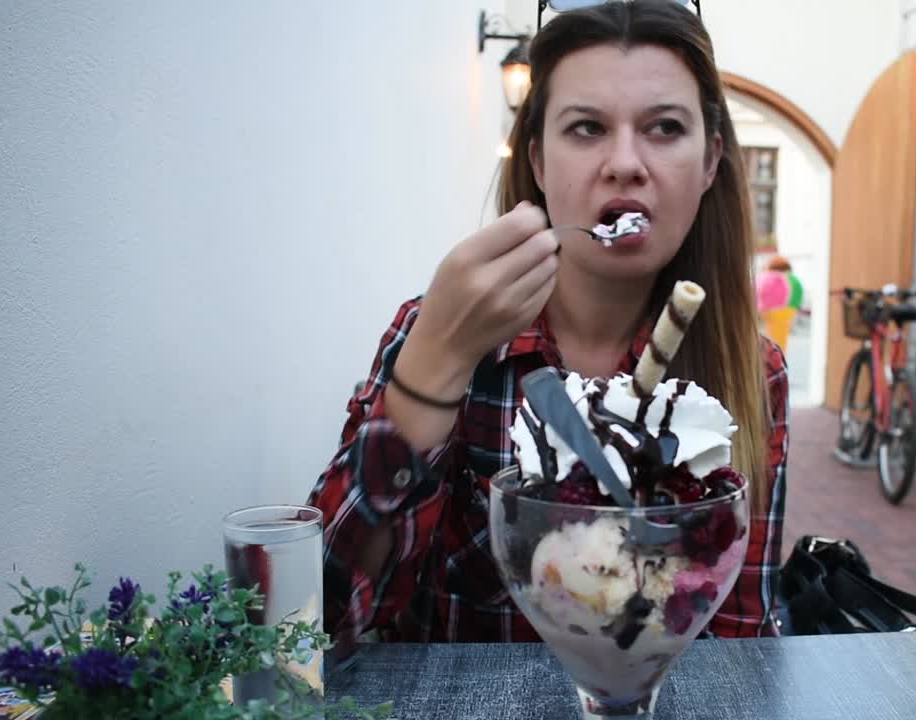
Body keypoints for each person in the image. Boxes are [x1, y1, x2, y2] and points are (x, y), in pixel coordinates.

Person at [307, 0, 788, 654]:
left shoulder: (750, 372)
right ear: (537, 160)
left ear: (710, 163)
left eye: (665, 128)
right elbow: (327, 621)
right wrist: (435, 366)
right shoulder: (447, 331)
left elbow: (737, 644)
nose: (625, 162)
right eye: (587, 127)